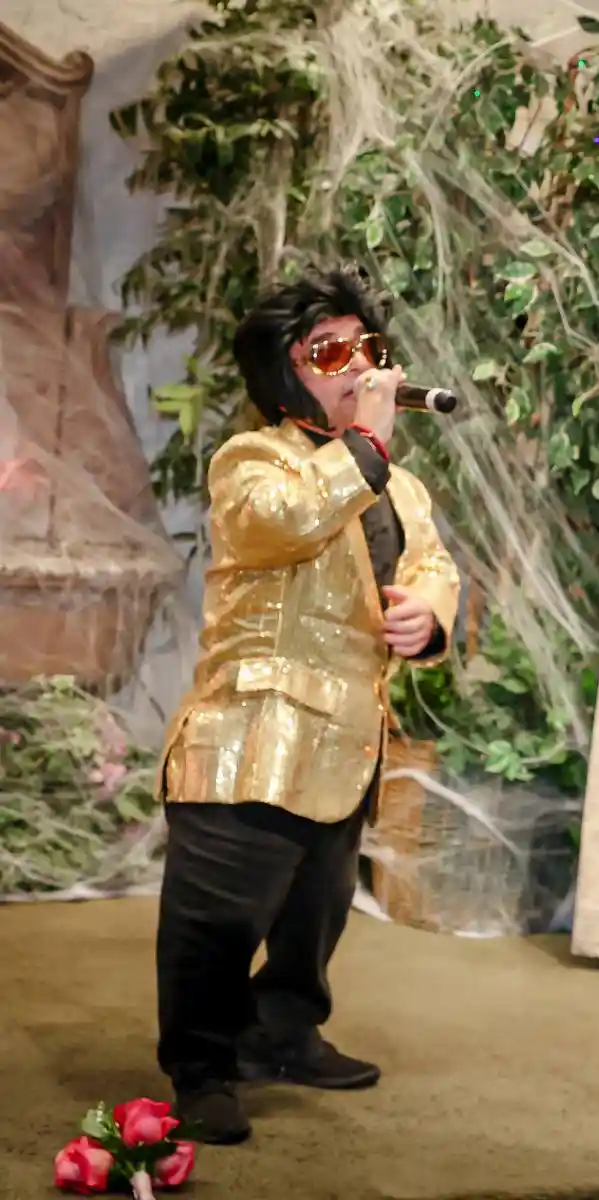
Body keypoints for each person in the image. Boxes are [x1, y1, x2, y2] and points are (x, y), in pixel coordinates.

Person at [154, 266, 460, 1145]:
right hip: (250, 735)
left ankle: (284, 1031)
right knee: (216, 920)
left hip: (349, 735)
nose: (360, 365)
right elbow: (281, 520)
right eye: (332, 351)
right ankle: (202, 1067)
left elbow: (431, 564)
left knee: (314, 914)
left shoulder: (400, 486)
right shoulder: (251, 460)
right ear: (286, 372)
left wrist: (427, 616)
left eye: (369, 347)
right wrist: (364, 444)